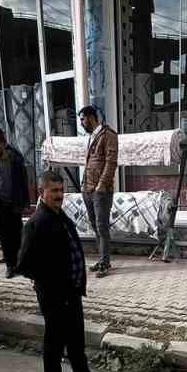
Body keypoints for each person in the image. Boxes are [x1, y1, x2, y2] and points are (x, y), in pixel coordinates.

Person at [17, 170, 113, 372]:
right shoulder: (36, 223)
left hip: (71, 291)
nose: (60, 195)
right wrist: (49, 280)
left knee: (76, 336)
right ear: (42, 192)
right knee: (55, 339)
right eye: (54, 191)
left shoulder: (60, 216)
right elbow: (24, 264)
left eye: (62, 190)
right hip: (54, 294)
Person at [79, 105, 118, 275]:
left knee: (102, 227)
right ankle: (102, 259)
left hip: (100, 190)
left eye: (83, 119)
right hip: (88, 189)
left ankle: (104, 262)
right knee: (96, 226)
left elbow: (111, 162)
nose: (81, 123)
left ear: (92, 117)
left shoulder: (108, 135)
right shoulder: (92, 136)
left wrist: (101, 186)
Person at [0, 128, 30, 279]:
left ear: (3, 143)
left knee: (17, 235)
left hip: (14, 204)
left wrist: (25, 202)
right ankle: (10, 265)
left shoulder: (15, 159)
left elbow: (23, 181)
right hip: (0, 205)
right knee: (4, 238)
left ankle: (20, 264)